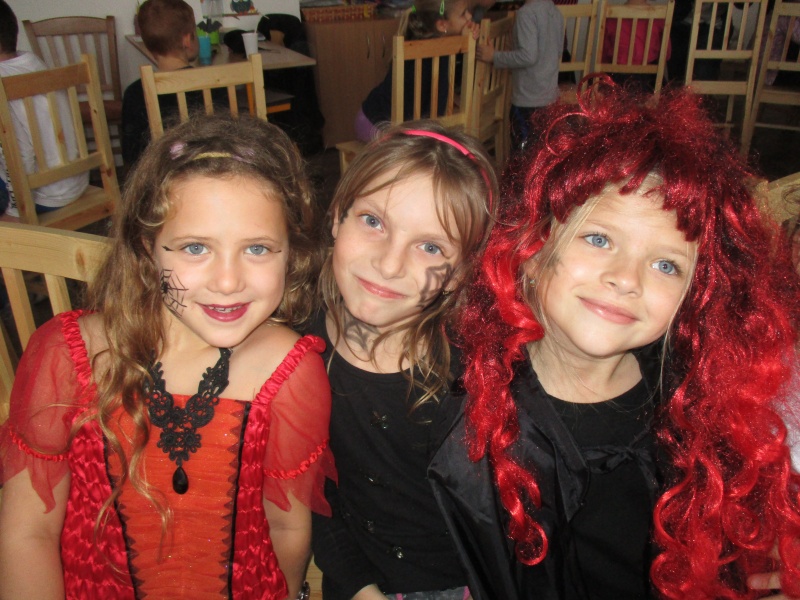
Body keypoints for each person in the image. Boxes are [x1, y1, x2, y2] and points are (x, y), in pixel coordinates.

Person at [428, 79, 800, 599]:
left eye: (666, 265)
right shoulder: (470, 409)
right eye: (599, 238)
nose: (627, 279)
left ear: (694, 297)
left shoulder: (695, 410)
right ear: (532, 249)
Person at [0, 114, 335, 599]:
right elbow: (27, 531)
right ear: (147, 248)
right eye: (195, 247)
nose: (227, 281)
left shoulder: (290, 372)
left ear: (292, 253)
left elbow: (286, 529)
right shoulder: (68, 356)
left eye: (258, 249)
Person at [310, 121, 498, 600]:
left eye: (430, 247)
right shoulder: (297, 347)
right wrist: (358, 587)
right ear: (336, 216)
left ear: (459, 274)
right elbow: (314, 498)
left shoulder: (475, 375)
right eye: (373, 221)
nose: (389, 264)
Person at [0, 0, 89, 219]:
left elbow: (20, 153)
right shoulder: (32, 62)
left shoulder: (4, 82)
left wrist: (15, 211)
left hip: (43, 195)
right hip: (75, 181)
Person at [355, 0, 479, 143]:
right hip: (375, 123)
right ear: (442, 25)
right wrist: (464, 42)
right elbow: (435, 112)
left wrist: (466, 41)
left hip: (384, 120)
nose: (470, 16)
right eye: (463, 14)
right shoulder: (433, 52)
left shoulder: (433, 45)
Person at [122, 0, 209, 168]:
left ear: (147, 45)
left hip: (161, 178)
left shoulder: (134, 93)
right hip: (210, 173)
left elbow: (132, 156)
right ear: (187, 40)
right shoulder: (215, 83)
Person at [475, 0, 562, 156]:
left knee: (522, 152)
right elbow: (557, 51)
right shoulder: (555, 12)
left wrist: (494, 56)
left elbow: (528, 57)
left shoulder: (526, 13)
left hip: (527, 101)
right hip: (549, 97)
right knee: (543, 150)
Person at [600, 0, 672, 91]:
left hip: (617, 80)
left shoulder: (611, 15)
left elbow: (604, 53)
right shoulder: (659, 16)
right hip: (649, 81)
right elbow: (666, 53)